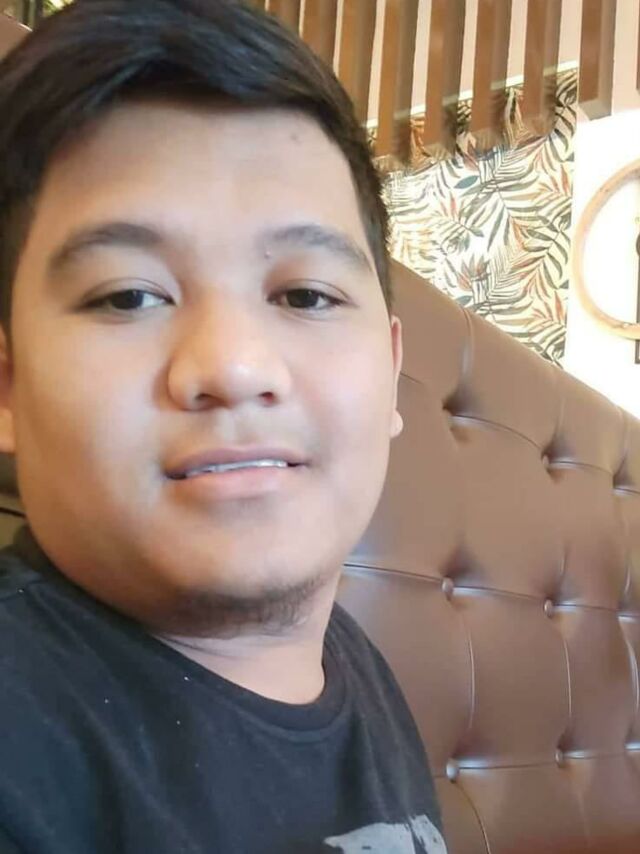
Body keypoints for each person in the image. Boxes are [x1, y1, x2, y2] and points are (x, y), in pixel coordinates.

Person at [0, 1, 446, 851]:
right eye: (129, 296)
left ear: (391, 369)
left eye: (306, 295)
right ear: (7, 386)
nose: (235, 366)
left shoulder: (353, 663)